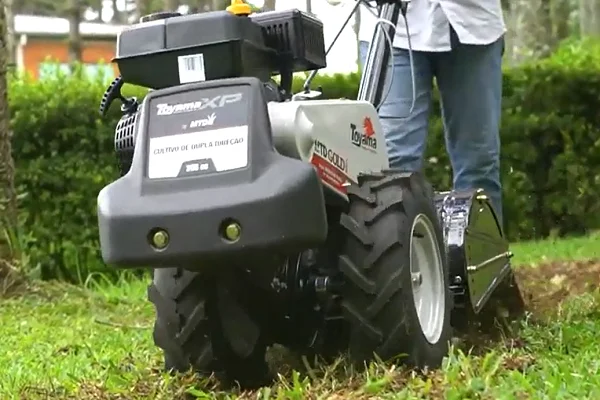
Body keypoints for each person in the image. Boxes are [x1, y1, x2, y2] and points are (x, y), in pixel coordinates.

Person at [358, 0, 506, 225]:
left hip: (474, 24)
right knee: (392, 167)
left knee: (479, 164)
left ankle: (478, 256)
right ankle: (401, 259)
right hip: (391, 26)